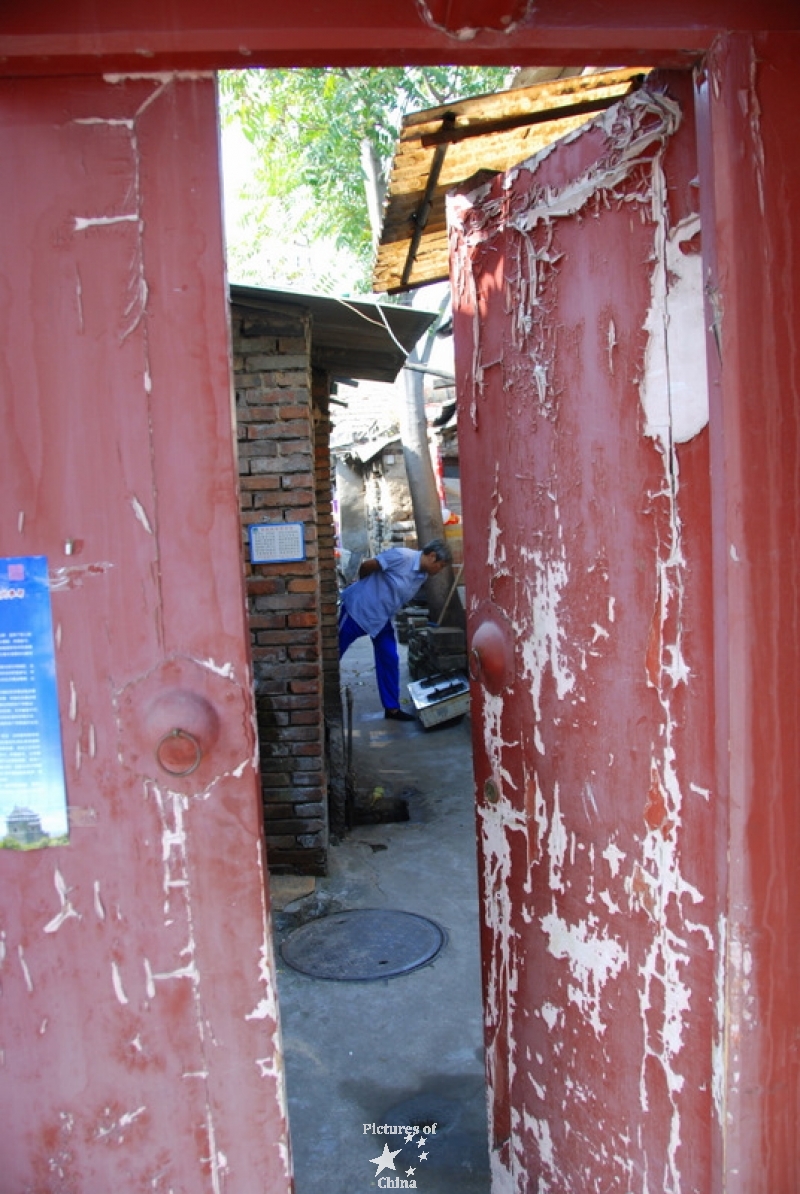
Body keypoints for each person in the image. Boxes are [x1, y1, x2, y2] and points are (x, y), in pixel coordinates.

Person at [338, 539, 452, 720]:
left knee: (389, 658)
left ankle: (391, 708)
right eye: (441, 565)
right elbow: (368, 565)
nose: (440, 570)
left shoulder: (421, 576)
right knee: (334, 651)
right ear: (432, 556)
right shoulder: (402, 556)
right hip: (358, 610)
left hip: (381, 619)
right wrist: (366, 588)